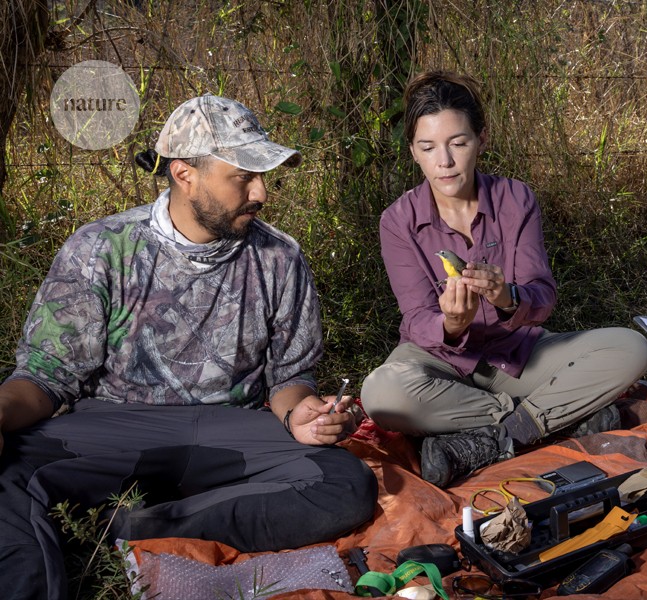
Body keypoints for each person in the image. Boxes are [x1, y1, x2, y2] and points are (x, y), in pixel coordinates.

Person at [0, 94, 378, 600]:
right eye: (243, 176)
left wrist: (301, 414)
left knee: (346, 484)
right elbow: (46, 378)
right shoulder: (101, 248)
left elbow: (290, 378)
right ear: (184, 175)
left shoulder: (279, 258)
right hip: (115, 428)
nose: (261, 191)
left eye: (262, 176)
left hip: (231, 433)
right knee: (7, 473)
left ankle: (136, 525)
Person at [360, 71, 647, 488]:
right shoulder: (397, 221)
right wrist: (452, 323)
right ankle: (547, 419)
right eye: (428, 147)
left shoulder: (516, 198)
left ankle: (497, 438)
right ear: (413, 152)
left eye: (458, 143)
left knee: (629, 346)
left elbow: (542, 297)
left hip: (514, 356)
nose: (444, 161)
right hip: (437, 360)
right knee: (382, 395)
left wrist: (507, 296)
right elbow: (417, 319)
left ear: (481, 139)